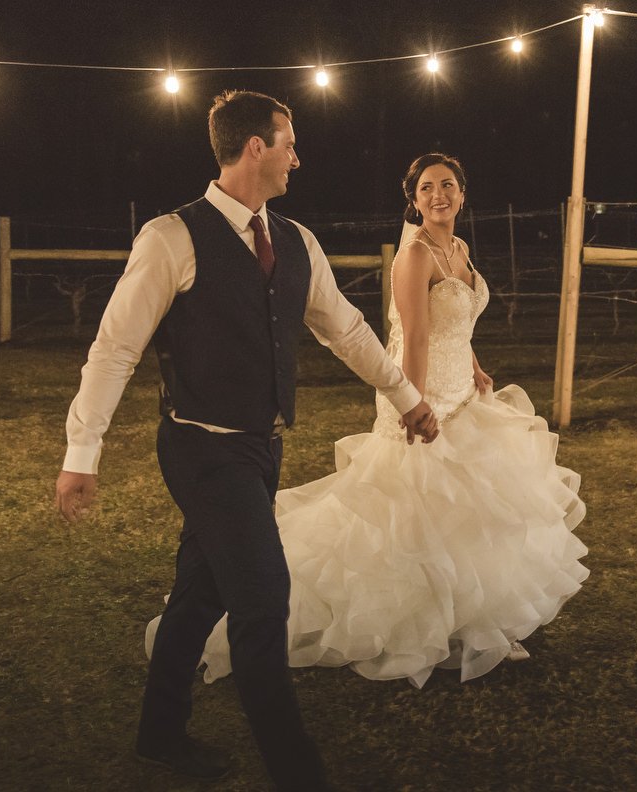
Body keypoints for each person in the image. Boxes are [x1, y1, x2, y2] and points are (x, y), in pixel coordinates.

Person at [54, 90, 439, 790]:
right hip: (200, 450)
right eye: (289, 141)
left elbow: (345, 330)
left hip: (261, 449)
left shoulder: (296, 241)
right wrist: (83, 454)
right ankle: (298, 774)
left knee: (201, 595)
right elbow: (114, 350)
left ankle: (159, 734)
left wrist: (408, 400)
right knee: (263, 598)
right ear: (255, 147)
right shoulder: (170, 238)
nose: (299, 155)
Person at [156, 152, 587, 690]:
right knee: (413, 517)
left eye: (448, 185)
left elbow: (458, 324)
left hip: (463, 395)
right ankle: (404, 622)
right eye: (427, 188)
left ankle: (473, 622)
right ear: (414, 199)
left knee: (469, 513)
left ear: (462, 194)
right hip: (424, 395)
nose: (438, 196)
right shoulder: (414, 256)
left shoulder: (460, 249)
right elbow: (416, 335)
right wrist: (414, 402)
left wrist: (475, 369)